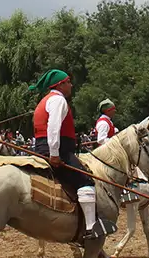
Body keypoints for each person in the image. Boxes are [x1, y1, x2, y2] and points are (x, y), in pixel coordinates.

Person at [31, 69, 114, 241]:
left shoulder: (46, 100)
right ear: (60, 84)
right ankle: (91, 228)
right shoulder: (58, 100)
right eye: (68, 82)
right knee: (85, 180)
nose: (71, 85)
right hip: (56, 149)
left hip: (44, 146)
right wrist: (54, 154)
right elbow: (53, 128)